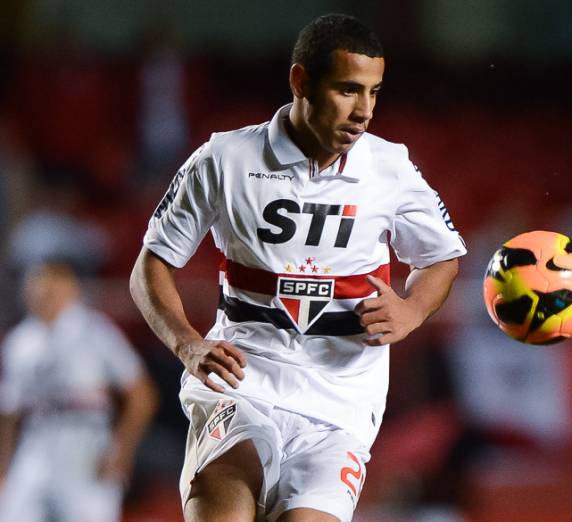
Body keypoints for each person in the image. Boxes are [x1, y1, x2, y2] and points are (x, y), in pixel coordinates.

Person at [129, 14, 466, 522]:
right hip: (243, 383)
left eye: (374, 93)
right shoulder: (225, 158)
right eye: (348, 90)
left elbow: (440, 256)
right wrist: (187, 342)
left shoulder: (390, 167)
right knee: (225, 502)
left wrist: (414, 308)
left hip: (341, 404)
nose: (364, 111)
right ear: (300, 81)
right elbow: (150, 266)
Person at [0, 259, 158, 522]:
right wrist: (3, 467)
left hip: (86, 446)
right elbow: (10, 415)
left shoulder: (95, 332)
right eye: (37, 288)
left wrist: (121, 451)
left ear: (70, 289)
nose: (42, 294)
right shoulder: (20, 342)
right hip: (36, 444)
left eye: (51, 287)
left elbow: (142, 395)